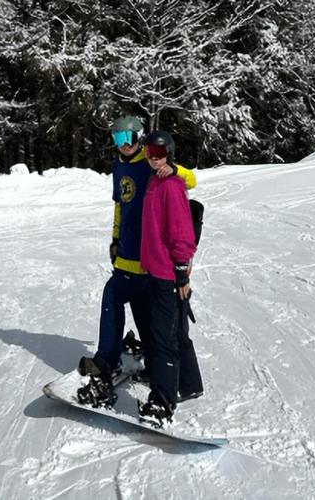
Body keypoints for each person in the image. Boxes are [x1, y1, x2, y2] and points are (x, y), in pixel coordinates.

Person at [77, 117, 197, 407]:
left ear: (139, 137)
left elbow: (190, 180)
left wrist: (174, 168)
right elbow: (120, 205)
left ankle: (138, 364)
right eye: (117, 139)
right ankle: (110, 360)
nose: (124, 144)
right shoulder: (119, 166)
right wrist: (115, 239)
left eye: (127, 138)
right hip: (128, 251)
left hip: (151, 256)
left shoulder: (153, 160)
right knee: (117, 298)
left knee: (144, 312)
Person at [137, 130, 203, 428]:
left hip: (167, 272)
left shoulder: (172, 185)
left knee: (164, 337)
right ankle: (189, 383)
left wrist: (180, 271)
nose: (154, 156)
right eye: (150, 150)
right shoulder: (155, 180)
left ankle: (162, 402)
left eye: (160, 152)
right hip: (156, 269)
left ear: (170, 153)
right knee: (175, 330)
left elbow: (181, 233)